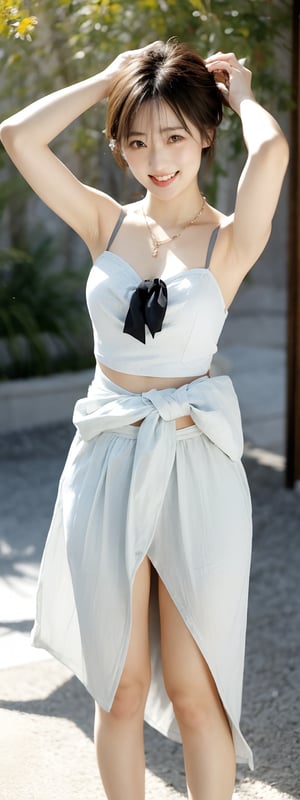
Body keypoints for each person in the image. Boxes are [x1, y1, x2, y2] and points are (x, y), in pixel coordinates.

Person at [0, 39, 288, 800]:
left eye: (172, 137)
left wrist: (245, 95)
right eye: (136, 140)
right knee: (117, 687)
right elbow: (17, 135)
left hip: (196, 469)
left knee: (197, 694)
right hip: (106, 462)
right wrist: (108, 79)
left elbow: (275, 149)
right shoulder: (104, 222)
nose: (156, 159)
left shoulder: (230, 241)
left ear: (203, 135)